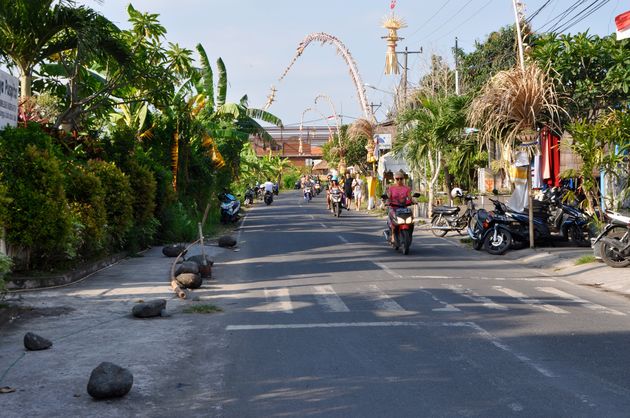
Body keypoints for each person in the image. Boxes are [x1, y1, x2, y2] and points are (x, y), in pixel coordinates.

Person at [385, 170, 412, 243]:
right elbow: (388, 197)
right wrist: (387, 202)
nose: (399, 180)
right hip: (394, 208)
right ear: (394, 179)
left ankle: (409, 234)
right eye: (397, 179)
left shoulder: (407, 188)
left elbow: (410, 198)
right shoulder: (391, 188)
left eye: (401, 178)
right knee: (393, 221)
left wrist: (413, 201)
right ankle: (393, 235)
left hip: (404, 208)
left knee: (411, 221)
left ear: (403, 179)